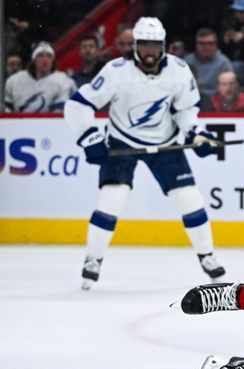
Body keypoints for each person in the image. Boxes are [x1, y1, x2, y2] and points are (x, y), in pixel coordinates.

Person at [64, 17, 226, 289]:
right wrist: (90, 138)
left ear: (162, 45)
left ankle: (207, 255)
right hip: (122, 142)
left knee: (190, 199)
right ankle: (93, 258)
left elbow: (187, 110)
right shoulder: (116, 71)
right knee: (111, 199)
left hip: (165, 144)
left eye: (154, 45)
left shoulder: (178, 69)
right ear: (135, 46)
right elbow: (77, 106)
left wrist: (196, 135)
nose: (149, 51)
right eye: (144, 45)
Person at [5, 41, 76, 113]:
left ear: (53, 60)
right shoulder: (14, 80)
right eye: (40, 55)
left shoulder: (64, 81)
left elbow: (60, 113)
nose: (45, 59)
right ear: (33, 60)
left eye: (49, 55)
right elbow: (6, 110)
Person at [185, 28, 234, 99]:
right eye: (202, 44)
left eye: (211, 43)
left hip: (216, 102)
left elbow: (229, 89)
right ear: (196, 44)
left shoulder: (224, 62)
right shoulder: (187, 61)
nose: (207, 47)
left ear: (216, 45)